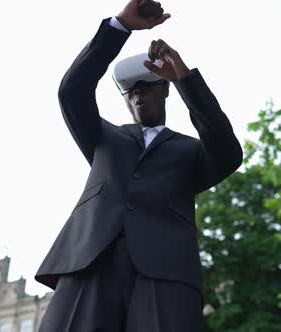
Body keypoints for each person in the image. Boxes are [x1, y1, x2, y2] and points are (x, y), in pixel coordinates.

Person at [35, 0, 243, 331]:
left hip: (166, 272)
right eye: (129, 92)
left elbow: (228, 153)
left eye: (145, 87)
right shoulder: (105, 138)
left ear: (165, 89)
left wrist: (185, 79)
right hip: (92, 262)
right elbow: (72, 92)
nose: (137, 97)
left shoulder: (190, 151)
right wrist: (120, 26)